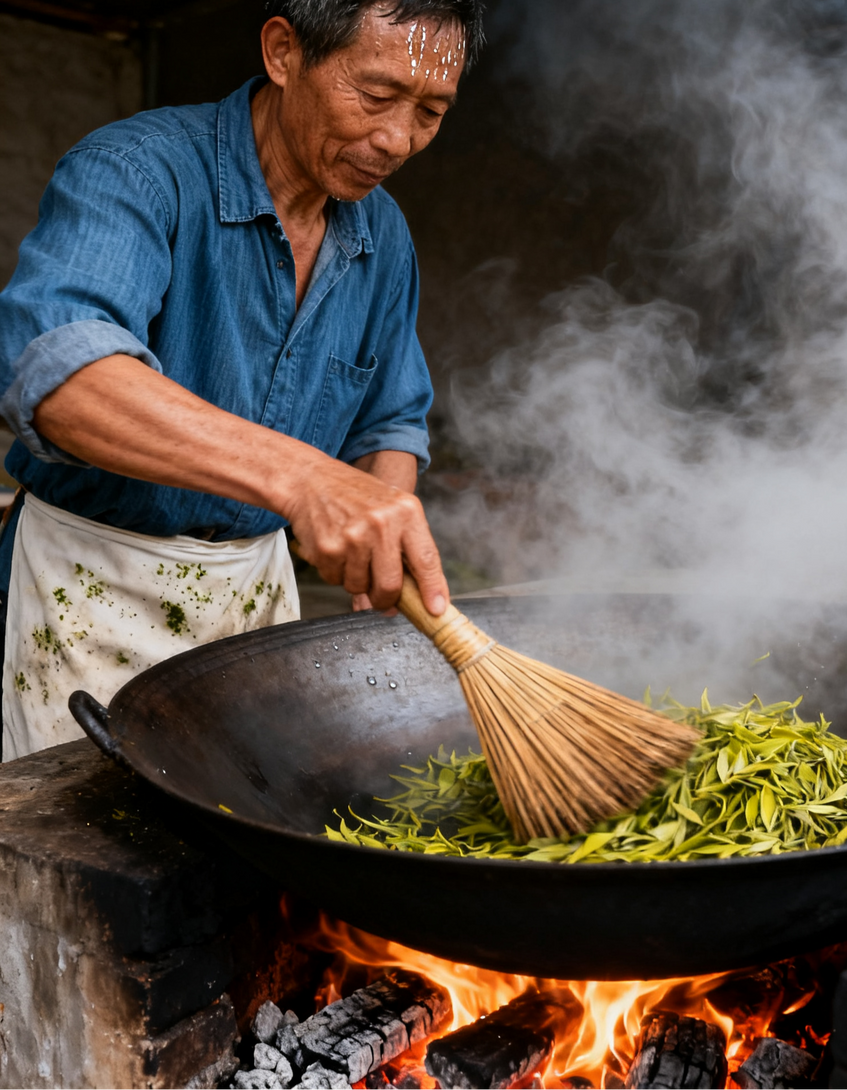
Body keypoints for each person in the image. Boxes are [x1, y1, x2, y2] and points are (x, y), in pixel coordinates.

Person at [0, 0, 485, 760]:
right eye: (378, 95)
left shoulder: (380, 234)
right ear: (284, 52)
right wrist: (305, 481)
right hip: (86, 590)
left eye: (430, 111)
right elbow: (62, 379)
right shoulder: (137, 170)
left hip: (256, 598)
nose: (397, 139)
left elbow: (389, 420)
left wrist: (384, 525)